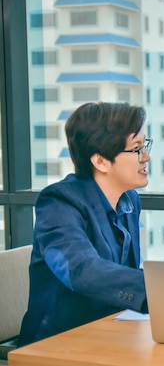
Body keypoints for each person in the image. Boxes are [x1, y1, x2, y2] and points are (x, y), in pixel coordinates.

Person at [18, 102, 151, 346]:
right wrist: (159, 291)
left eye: (145, 146)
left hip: (110, 335)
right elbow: (80, 269)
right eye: (136, 149)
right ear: (100, 161)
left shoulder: (129, 199)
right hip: (56, 345)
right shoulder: (58, 202)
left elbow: (122, 276)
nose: (146, 157)